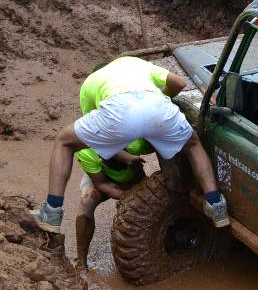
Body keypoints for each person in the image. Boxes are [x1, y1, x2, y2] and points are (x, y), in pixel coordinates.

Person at [30, 56, 229, 234]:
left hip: (118, 112)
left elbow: (94, 135)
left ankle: (52, 211)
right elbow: (180, 82)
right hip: (156, 105)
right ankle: (216, 205)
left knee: (64, 141)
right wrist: (160, 99)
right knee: (193, 144)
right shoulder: (133, 62)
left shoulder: (90, 83)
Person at [74, 138, 152, 270]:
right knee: (86, 202)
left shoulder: (136, 143)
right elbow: (101, 184)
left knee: (152, 206)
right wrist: (128, 198)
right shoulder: (85, 150)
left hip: (133, 176)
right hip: (101, 177)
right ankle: (81, 262)